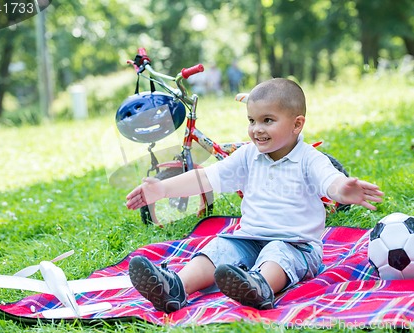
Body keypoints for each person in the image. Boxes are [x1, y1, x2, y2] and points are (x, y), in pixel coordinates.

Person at [125, 78, 384, 313]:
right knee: (220, 249)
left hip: (297, 245)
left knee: (277, 253)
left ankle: (260, 287)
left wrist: (342, 189)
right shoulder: (248, 156)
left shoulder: (309, 159)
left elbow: (330, 181)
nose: (256, 129)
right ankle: (175, 287)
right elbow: (206, 178)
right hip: (249, 238)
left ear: (297, 124)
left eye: (267, 120)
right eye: (252, 121)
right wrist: (162, 189)